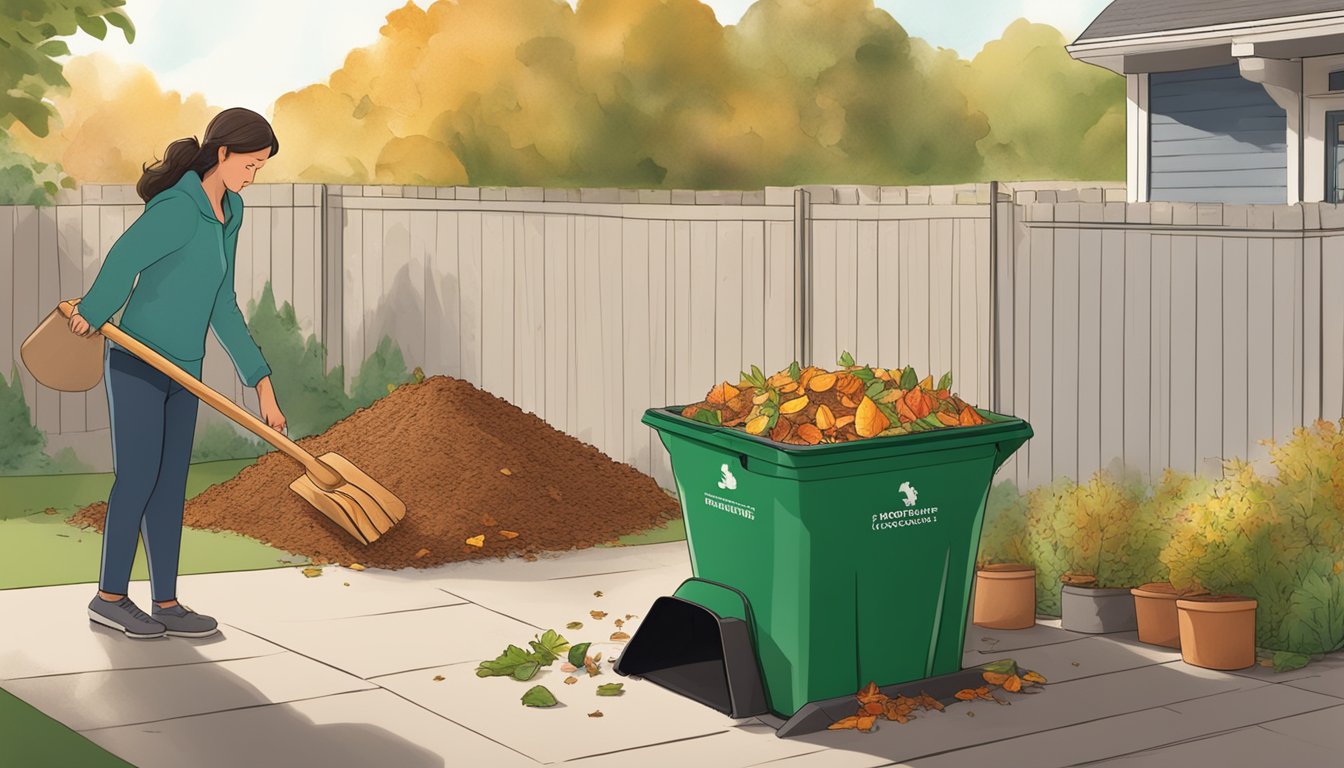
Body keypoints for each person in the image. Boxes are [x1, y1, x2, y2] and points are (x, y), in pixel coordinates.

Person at [68, 108, 287, 639]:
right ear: (223, 153)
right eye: (250, 165)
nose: (251, 177)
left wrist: (262, 384)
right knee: (138, 478)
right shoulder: (179, 206)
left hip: (185, 370)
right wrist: (93, 312)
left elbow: (223, 304)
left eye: (260, 169)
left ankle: (165, 602)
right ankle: (109, 597)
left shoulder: (228, 213)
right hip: (140, 361)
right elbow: (126, 259)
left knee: (170, 488)